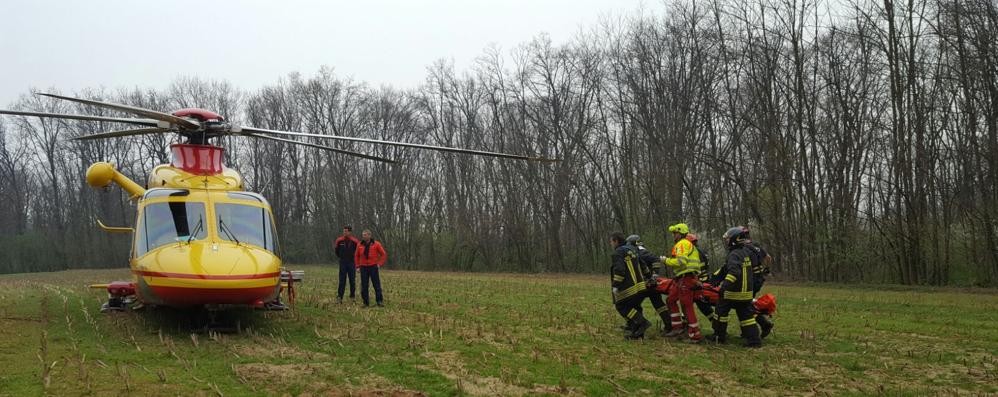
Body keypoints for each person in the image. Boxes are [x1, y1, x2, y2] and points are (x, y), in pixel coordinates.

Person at [708, 226, 763, 347]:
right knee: (747, 317)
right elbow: (724, 269)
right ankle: (754, 341)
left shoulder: (734, 254)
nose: (726, 242)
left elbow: (733, 272)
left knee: (720, 313)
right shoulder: (744, 252)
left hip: (733, 292)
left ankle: (719, 336)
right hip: (746, 293)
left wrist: (724, 287)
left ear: (734, 240)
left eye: (727, 239)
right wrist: (714, 279)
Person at [662, 223, 705, 343]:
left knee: (687, 305)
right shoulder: (687, 244)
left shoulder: (682, 244)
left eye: (675, 233)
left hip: (686, 278)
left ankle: (695, 335)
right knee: (670, 300)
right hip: (682, 278)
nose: (673, 236)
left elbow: (681, 261)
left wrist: (666, 260)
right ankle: (677, 328)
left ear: (680, 233)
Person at [624, 235, 672, 335]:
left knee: (632, 304)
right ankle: (669, 325)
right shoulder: (639, 251)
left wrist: (654, 276)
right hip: (648, 284)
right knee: (659, 305)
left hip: (646, 284)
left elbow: (655, 259)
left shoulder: (641, 252)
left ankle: (635, 324)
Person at [609, 232, 652, 339]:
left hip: (629, 287)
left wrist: (616, 285)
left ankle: (642, 322)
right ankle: (637, 333)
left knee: (621, 306)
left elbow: (619, 270)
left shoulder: (618, 252)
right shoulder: (633, 249)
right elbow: (643, 265)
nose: (611, 244)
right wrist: (649, 277)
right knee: (635, 307)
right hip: (641, 286)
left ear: (616, 241)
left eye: (611, 241)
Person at [355, 229, 387, 307]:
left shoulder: (376, 244)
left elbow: (383, 254)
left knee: (376, 285)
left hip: (373, 267)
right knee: (364, 285)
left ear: (369, 235)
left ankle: (379, 301)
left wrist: (379, 264)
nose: (364, 236)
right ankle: (365, 302)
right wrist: (357, 266)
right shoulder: (359, 245)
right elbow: (356, 256)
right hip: (363, 267)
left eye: (365, 235)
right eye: (363, 235)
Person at [333, 225, 360, 303]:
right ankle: (339, 297)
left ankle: (352, 296)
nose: (344, 232)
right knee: (342, 280)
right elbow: (336, 251)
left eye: (346, 231)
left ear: (350, 232)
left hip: (352, 263)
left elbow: (358, 252)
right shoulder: (339, 240)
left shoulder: (355, 241)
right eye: (344, 231)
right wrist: (342, 257)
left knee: (352, 280)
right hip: (343, 263)